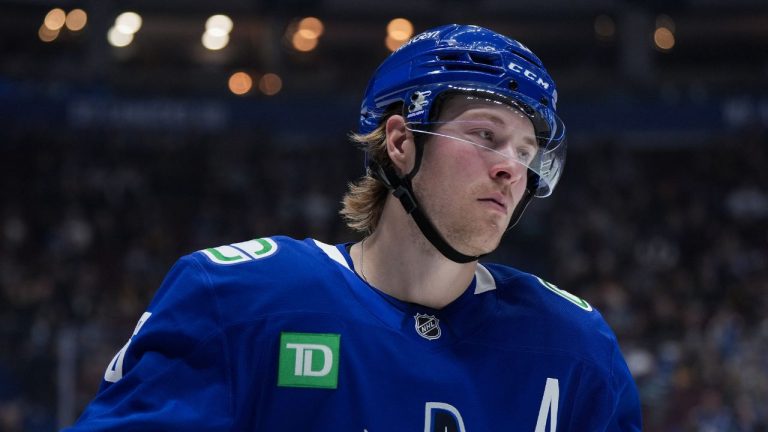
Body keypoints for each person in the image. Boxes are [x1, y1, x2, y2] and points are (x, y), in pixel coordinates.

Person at [66, 24, 641, 431]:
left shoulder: (575, 347)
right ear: (398, 142)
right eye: (484, 135)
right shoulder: (237, 300)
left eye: (526, 151)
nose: (510, 168)